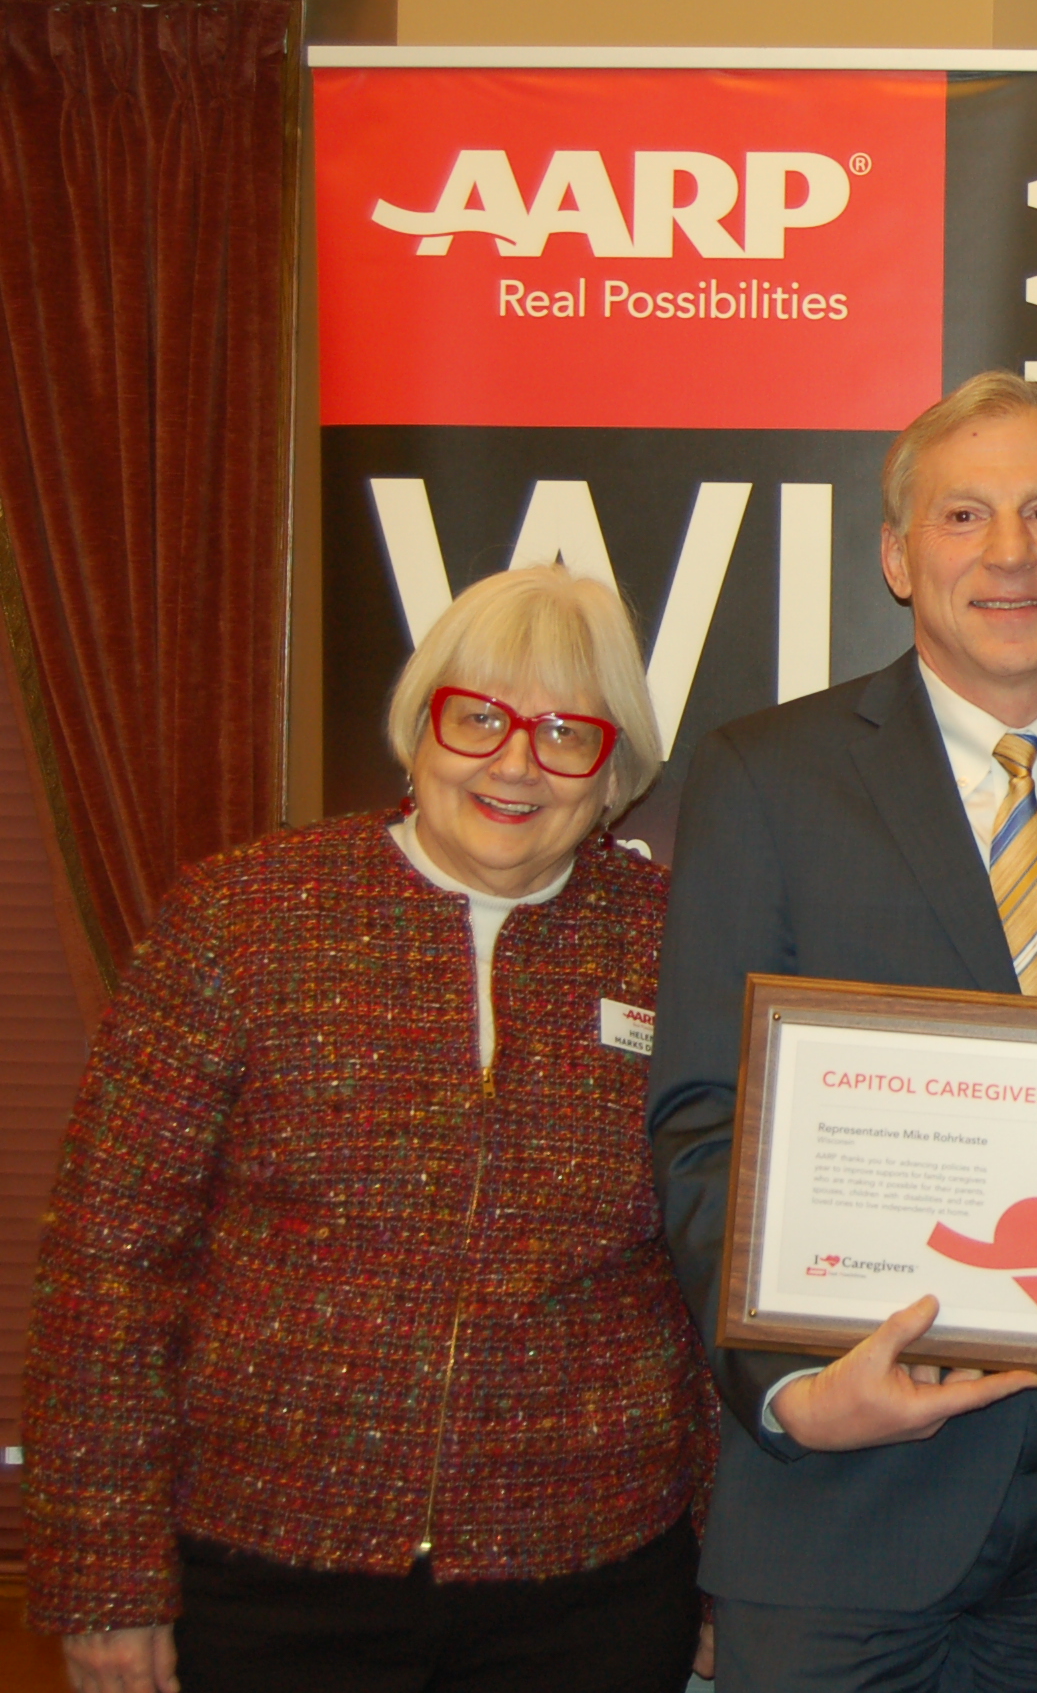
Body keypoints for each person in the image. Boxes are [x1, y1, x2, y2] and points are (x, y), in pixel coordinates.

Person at [647, 369, 1037, 1693]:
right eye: (963, 517)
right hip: (843, 1504)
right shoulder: (765, 777)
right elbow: (703, 1117)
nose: (1009, 555)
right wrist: (794, 1391)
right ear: (894, 555)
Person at [26, 564, 714, 1693]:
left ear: (616, 776)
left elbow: (716, 1270)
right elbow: (109, 1261)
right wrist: (104, 1572)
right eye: (478, 714)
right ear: (419, 728)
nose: (513, 761)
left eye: (565, 733)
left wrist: (725, 1568)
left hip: (589, 1582)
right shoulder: (245, 916)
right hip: (267, 1576)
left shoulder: (678, 941)